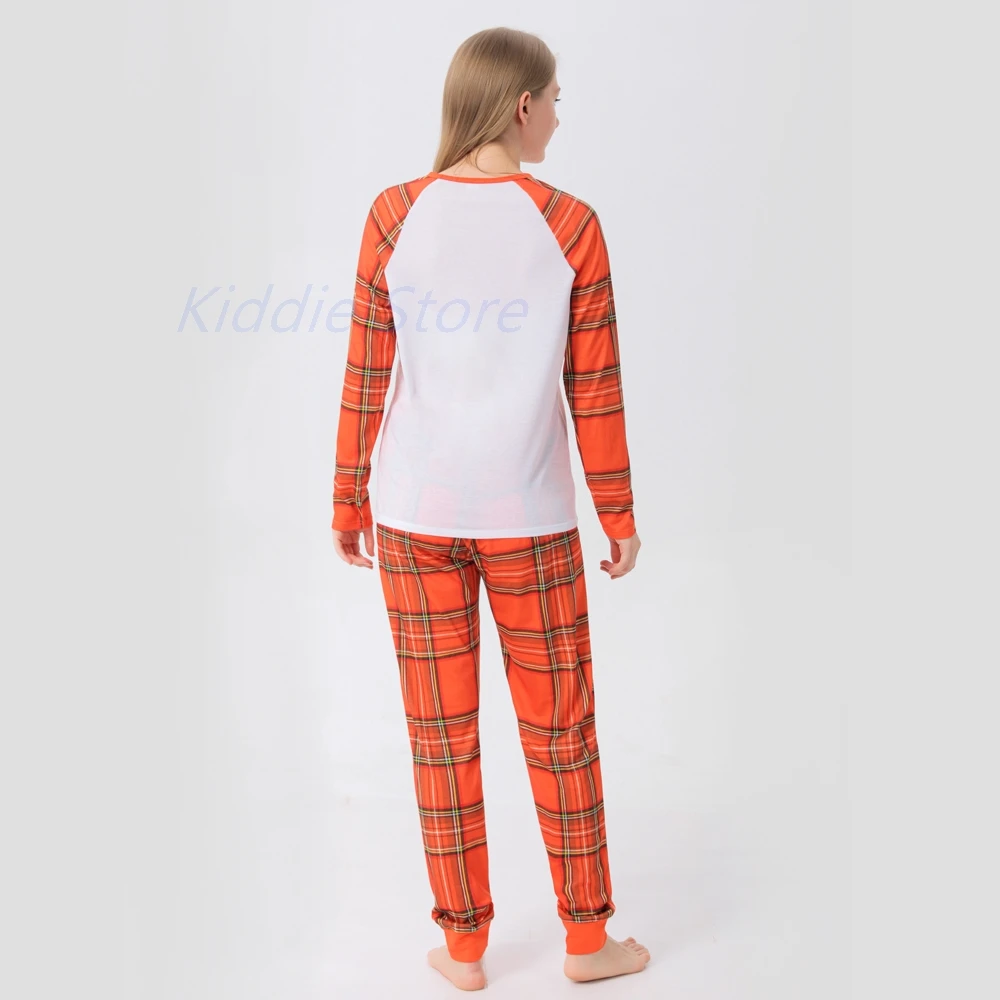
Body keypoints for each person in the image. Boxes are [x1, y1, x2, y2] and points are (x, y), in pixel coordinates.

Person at [329, 26, 649, 991]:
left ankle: (464, 948)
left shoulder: (394, 213)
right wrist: (617, 512)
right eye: (553, 99)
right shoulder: (571, 223)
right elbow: (595, 386)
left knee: (441, 736)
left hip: (412, 514)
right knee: (561, 733)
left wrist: (347, 496)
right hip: (531, 519)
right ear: (520, 104)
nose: (557, 115)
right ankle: (586, 940)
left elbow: (366, 369)